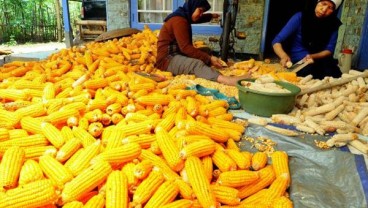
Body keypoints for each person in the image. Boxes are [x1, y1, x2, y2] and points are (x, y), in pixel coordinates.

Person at [155, 0, 250, 86]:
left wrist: (211, 16)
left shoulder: (184, 15)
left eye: (202, 12)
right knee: (196, 64)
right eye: (200, 10)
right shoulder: (179, 20)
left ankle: (206, 72)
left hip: (178, 53)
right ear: (192, 7)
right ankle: (226, 80)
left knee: (206, 50)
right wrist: (209, 58)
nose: (201, 14)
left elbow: (196, 18)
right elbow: (186, 48)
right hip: (167, 60)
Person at [272, 0, 343, 79]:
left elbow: (329, 50)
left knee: (335, 74)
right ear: (317, 2)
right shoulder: (300, 17)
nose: (324, 9)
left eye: (330, 8)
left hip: (320, 59)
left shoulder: (333, 24)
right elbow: (276, 41)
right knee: (309, 72)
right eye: (324, 4)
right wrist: (283, 56)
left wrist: (312, 56)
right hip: (300, 60)